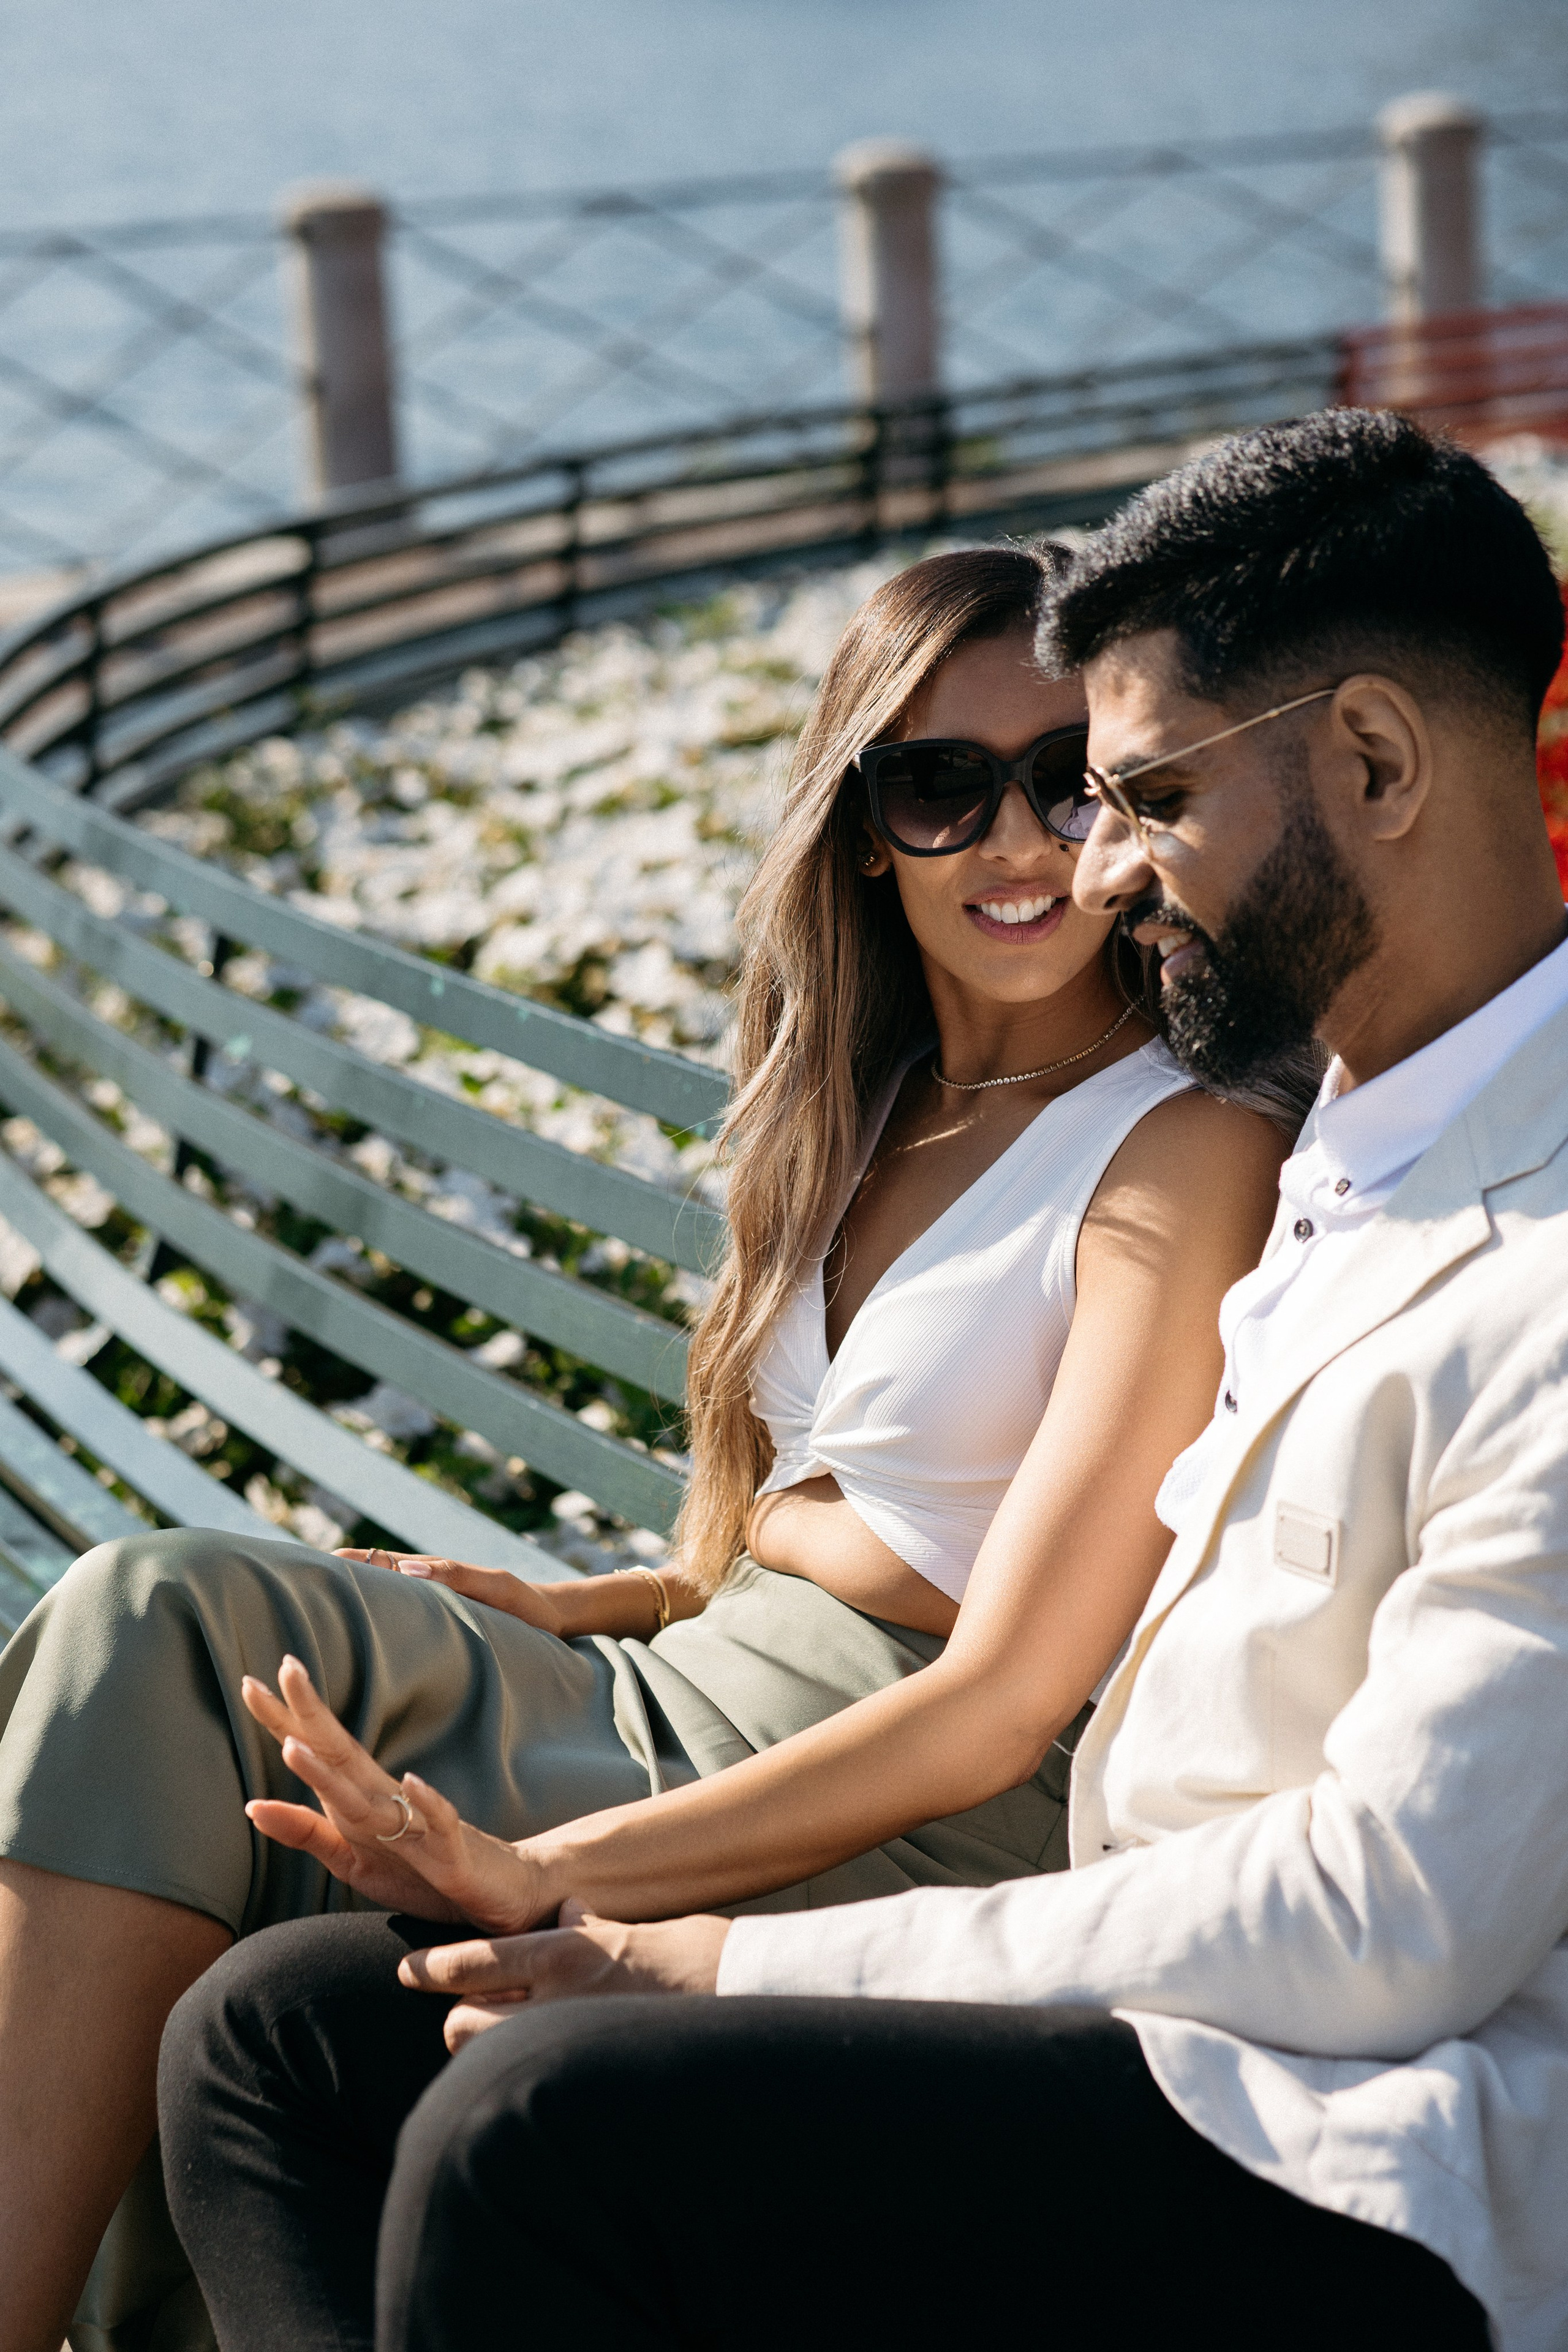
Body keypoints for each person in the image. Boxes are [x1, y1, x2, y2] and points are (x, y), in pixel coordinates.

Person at [162, 409, 1568, 2352]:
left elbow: (1379, 1928)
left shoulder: (1535, 1251)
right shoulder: (1347, 1139)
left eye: (1141, 799)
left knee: (529, 2120)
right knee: (287, 2037)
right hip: (1131, 2005)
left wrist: (704, 1966)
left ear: (1380, 763)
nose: (1106, 877)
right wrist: (630, 1772)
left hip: (1359, 2144)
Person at [0, 546, 1298, 2352]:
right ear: (861, 826)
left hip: (899, 1788)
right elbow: (806, 1500)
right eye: (942, 782)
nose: (1017, 841)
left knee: (167, 1639)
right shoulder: (865, 1100)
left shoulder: (1181, 1143)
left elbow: (1004, 1696)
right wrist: (582, 1591)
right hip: (679, 1676)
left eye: (1071, 777)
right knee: (165, 1649)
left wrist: (555, 1885)